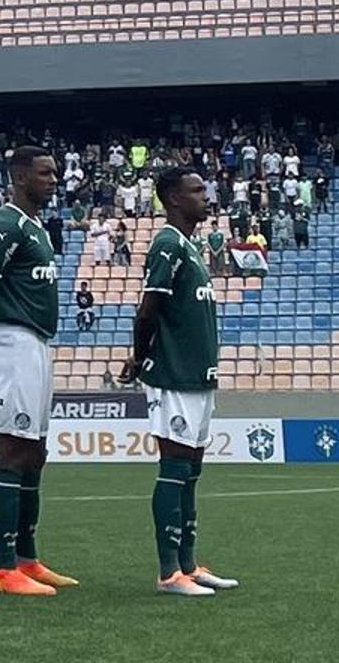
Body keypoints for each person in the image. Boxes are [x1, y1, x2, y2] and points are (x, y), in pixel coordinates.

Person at [0, 145, 76, 596]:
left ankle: (27, 560)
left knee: (35, 452)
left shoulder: (38, 230)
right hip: (10, 341)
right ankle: (3, 567)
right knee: (13, 448)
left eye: (56, 171)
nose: (54, 179)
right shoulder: (5, 225)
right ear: (20, 177)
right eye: (45, 172)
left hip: (35, 343)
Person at [120, 168, 238, 596]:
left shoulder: (190, 246)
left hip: (197, 376)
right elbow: (147, 310)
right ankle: (169, 572)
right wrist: (139, 357)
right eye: (196, 190)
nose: (206, 196)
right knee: (174, 467)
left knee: (190, 470)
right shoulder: (167, 244)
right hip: (173, 375)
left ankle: (189, 564)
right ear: (172, 198)